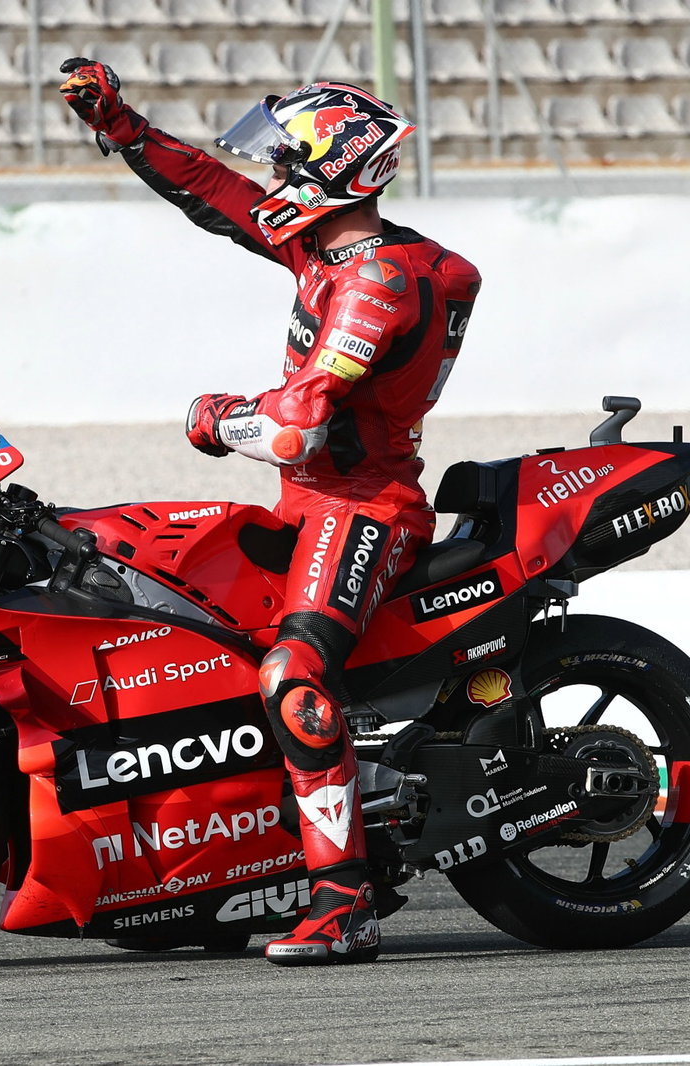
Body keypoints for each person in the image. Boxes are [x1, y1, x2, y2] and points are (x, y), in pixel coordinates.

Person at [58, 60, 481, 967]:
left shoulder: (378, 282)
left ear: (338, 172)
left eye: (291, 163)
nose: (276, 180)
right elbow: (215, 191)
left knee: (292, 669)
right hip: (307, 505)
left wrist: (215, 418)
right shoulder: (321, 248)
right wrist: (123, 126)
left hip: (365, 507)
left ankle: (342, 900)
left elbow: (299, 424)